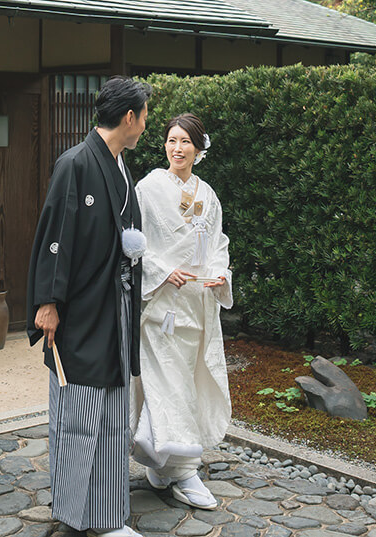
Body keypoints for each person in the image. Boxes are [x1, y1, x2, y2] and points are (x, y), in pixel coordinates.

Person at [26, 76, 150, 537]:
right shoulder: (75, 164)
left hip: (113, 307)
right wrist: (47, 303)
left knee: (114, 411)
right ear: (128, 118)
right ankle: (77, 516)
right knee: (80, 412)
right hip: (80, 311)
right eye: (144, 117)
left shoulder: (118, 167)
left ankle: (109, 516)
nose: (144, 127)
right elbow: (55, 237)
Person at [131, 113, 232, 510]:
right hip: (160, 307)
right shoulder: (148, 188)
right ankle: (187, 470)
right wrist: (160, 270)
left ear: (198, 148)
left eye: (185, 142)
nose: (177, 148)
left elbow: (219, 241)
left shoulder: (208, 194)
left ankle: (161, 462)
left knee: (185, 385)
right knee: (166, 384)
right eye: (172, 140)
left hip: (196, 306)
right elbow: (134, 241)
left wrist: (221, 274)